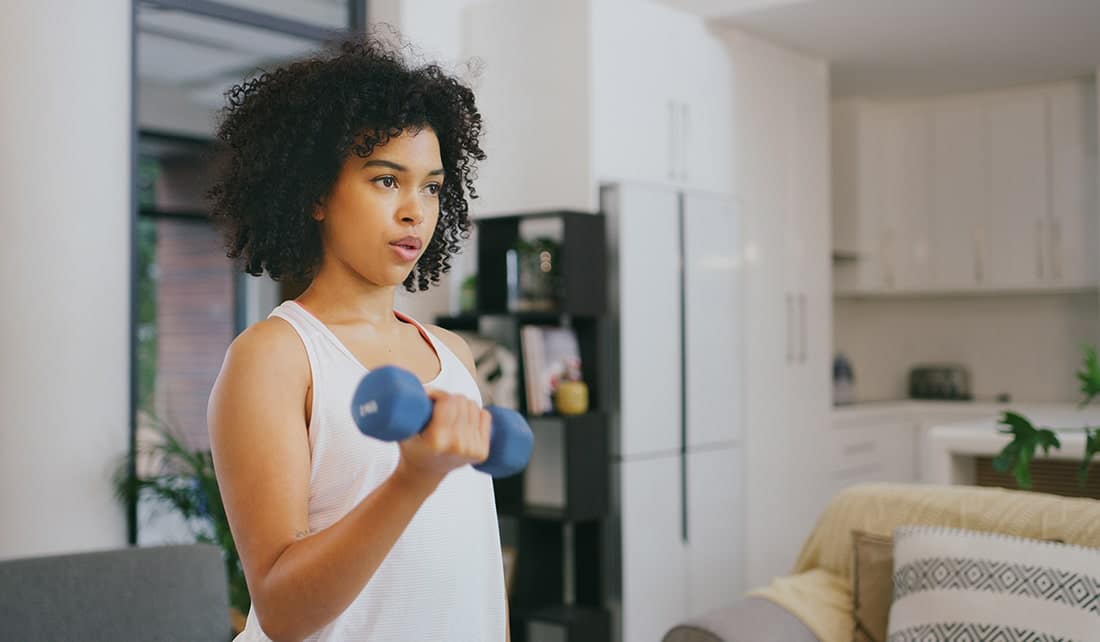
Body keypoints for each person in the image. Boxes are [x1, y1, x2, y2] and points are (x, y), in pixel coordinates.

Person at [205, 33, 508, 642]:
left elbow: (473, 571)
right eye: (386, 180)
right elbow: (284, 613)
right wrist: (413, 479)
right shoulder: (275, 357)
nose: (415, 212)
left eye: (431, 186)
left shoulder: (452, 354)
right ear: (316, 193)